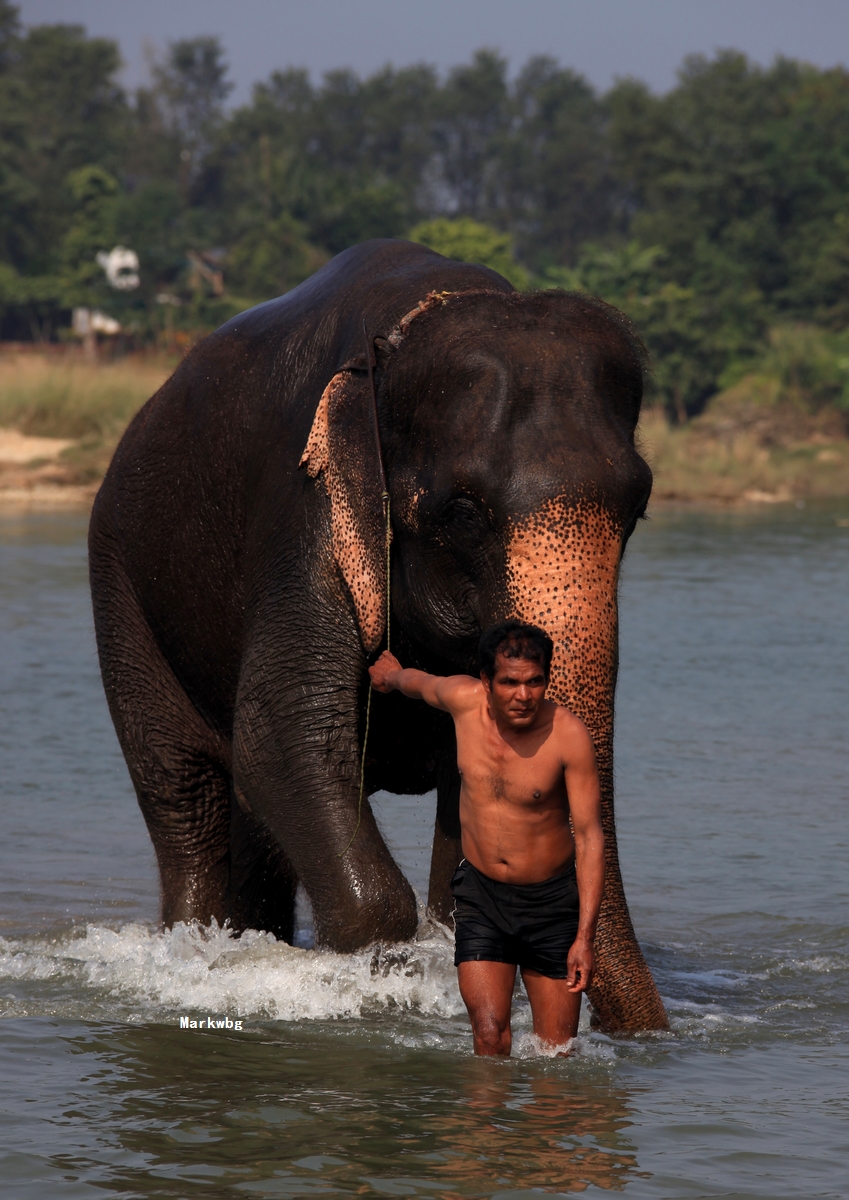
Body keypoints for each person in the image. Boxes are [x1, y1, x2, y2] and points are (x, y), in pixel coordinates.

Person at [369, 619, 605, 1056]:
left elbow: (590, 838)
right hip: (481, 897)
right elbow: (421, 684)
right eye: (510, 682)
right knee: (490, 1035)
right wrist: (391, 676)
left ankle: (545, 1124)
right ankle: (482, 1125)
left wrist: (584, 938)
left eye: (535, 682)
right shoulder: (463, 702)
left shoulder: (568, 736)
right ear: (486, 681)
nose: (523, 695)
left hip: (551, 905)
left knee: (555, 1052)